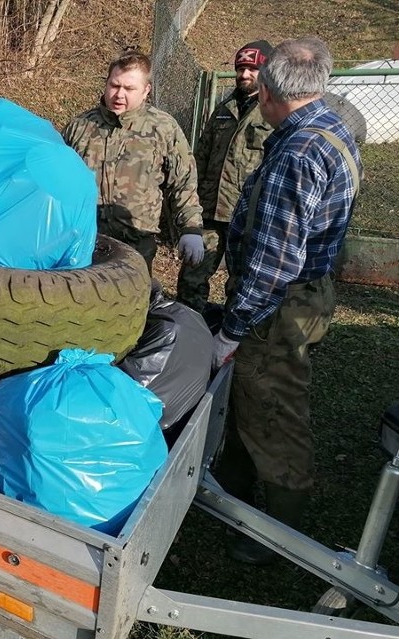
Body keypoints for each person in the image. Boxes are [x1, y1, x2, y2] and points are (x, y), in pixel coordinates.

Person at [211, 36, 362, 565]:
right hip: (309, 295)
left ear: (270, 93)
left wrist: (231, 329)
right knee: (256, 402)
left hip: (280, 309)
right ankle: (230, 491)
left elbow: (273, 261)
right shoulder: (331, 129)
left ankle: (276, 534)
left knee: (273, 412)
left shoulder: (295, 154)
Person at [61, 50, 204, 275]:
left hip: (135, 247)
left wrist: (191, 228)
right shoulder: (80, 127)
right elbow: (58, 181)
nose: (119, 95)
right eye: (114, 86)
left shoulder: (163, 129)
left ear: (146, 91)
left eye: (129, 89)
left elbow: (183, 182)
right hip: (83, 244)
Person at [176, 40, 275, 313]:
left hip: (247, 217)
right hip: (209, 213)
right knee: (191, 277)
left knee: (241, 284)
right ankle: (187, 334)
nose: (244, 74)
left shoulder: (273, 114)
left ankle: (232, 340)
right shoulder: (223, 110)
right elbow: (200, 158)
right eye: (240, 68)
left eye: (252, 69)